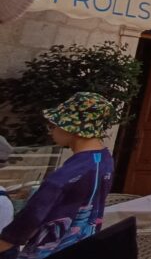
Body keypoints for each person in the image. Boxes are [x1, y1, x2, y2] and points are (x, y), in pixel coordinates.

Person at [0, 93, 115, 259]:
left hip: (48, 251)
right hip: (83, 247)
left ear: (72, 128)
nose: (51, 132)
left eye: (53, 126)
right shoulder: (104, 160)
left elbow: (24, 225)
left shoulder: (63, 177)